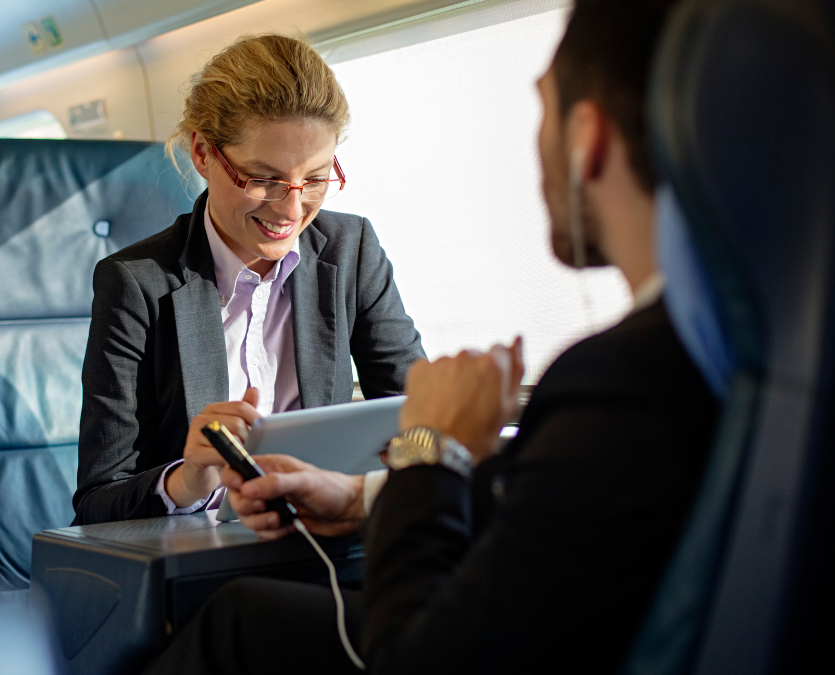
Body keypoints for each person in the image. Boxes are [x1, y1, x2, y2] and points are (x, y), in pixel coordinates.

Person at [143, 0, 722, 672]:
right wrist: (358, 496)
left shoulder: (619, 383)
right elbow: (548, 501)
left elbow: (416, 654)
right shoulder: (724, 354)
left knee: (236, 622)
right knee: (244, 611)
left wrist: (431, 445)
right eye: (266, 178)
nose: (292, 206)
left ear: (585, 137)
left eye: (541, 108)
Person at [72, 35, 425, 525]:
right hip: (207, 561)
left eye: (316, 179)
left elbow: (421, 424)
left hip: (331, 538)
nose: (291, 208)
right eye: (263, 179)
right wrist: (189, 478)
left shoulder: (352, 250)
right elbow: (96, 505)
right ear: (202, 153)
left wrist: (360, 490)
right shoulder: (136, 285)